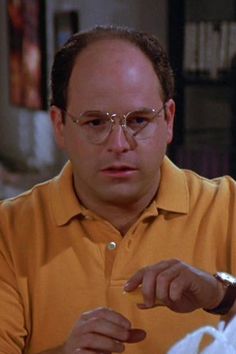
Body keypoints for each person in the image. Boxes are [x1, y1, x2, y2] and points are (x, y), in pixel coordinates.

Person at [0, 25, 236, 354]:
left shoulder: (229, 208)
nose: (119, 144)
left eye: (138, 120)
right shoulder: (8, 231)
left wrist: (222, 294)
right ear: (59, 126)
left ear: (168, 120)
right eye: (96, 122)